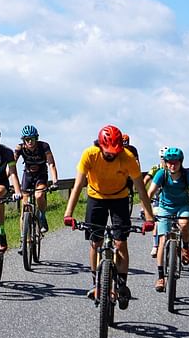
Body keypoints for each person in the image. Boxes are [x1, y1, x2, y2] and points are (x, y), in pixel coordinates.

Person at [63, 124, 155, 310]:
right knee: (95, 242)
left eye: (115, 151)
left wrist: (149, 217)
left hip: (120, 198)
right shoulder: (89, 155)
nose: (112, 154)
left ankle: (121, 284)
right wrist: (68, 214)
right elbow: (77, 185)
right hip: (96, 197)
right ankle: (97, 283)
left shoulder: (127, 158)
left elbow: (141, 189)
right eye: (108, 151)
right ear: (101, 146)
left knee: (121, 242)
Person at [145, 147, 189, 292]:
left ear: (181, 162)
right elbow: (149, 194)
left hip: (183, 206)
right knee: (162, 240)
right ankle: (161, 277)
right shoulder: (162, 174)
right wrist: (147, 212)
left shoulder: (188, 175)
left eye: (175, 162)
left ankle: (185, 247)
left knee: (185, 224)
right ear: (166, 163)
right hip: (165, 207)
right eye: (169, 162)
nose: (172, 165)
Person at [14, 125, 58, 236]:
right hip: (28, 175)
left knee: (39, 195)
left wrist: (55, 181)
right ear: (23, 140)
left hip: (41, 175)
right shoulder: (20, 148)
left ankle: (42, 216)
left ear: (36, 138)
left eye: (32, 139)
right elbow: (11, 165)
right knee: (24, 209)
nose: (30, 141)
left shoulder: (44, 146)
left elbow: (51, 164)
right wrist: (9, 182)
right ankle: (23, 239)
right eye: (27, 139)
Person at [143, 147, 167, 258]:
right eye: (162, 158)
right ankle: (155, 245)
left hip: (171, 201)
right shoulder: (156, 168)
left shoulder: (174, 168)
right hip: (158, 200)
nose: (164, 160)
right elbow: (146, 179)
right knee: (157, 221)